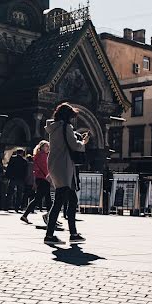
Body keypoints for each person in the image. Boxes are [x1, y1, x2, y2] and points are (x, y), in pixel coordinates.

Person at [43, 103, 89, 243]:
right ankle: (50, 235)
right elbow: (74, 145)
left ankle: (73, 234)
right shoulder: (66, 127)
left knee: (70, 200)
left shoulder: (54, 128)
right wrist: (84, 142)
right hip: (64, 166)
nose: (73, 120)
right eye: (72, 116)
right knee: (60, 201)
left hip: (56, 165)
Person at [20, 141, 51, 224]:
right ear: (41, 147)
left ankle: (51, 216)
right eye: (46, 146)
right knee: (39, 198)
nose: (48, 148)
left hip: (41, 178)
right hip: (43, 178)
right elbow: (45, 167)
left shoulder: (40, 155)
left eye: (48, 146)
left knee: (46, 198)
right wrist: (49, 177)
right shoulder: (42, 155)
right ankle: (25, 215)